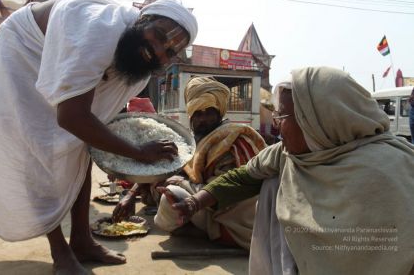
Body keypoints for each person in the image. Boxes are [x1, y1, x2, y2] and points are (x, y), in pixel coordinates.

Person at [0, 0, 197, 275]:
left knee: (79, 149)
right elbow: (72, 117)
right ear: (142, 19)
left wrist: (127, 146)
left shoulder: (140, 67)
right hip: (25, 46)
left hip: (63, 47)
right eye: (157, 35)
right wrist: (138, 153)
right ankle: (60, 253)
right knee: (40, 149)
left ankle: (82, 241)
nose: (158, 51)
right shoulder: (98, 31)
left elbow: (88, 127)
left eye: (168, 52)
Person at [160, 67, 414, 275]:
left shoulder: (389, 170)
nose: (276, 128)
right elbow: (244, 176)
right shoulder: (288, 152)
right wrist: (194, 202)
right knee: (271, 185)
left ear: (315, 120)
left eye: (281, 117)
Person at [113, 77, 266, 249]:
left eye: (209, 113)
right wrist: (130, 195)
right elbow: (161, 167)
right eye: (198, 114)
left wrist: (180, 183)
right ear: (191, 116)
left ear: (220, 113)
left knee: (170, 193)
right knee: (168, 199)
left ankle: (212, 232)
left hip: (228, 212)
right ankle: (201, 228)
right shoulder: (192, 140)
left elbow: (227, 190)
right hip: (199, 207)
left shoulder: (231, 140)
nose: (203, 119)